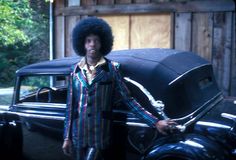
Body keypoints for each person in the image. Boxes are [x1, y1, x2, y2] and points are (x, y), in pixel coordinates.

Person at [62, 17, 177, 160]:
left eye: (96, 40)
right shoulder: (75, 71)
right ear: (82, 44)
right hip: (78, 134)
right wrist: (67, 137)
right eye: (88, 41)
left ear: (102, 42)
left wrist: (155, 122)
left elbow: (129, 100)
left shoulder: (112, 69)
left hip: (100, 134)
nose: (92, 45)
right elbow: (70, 107)